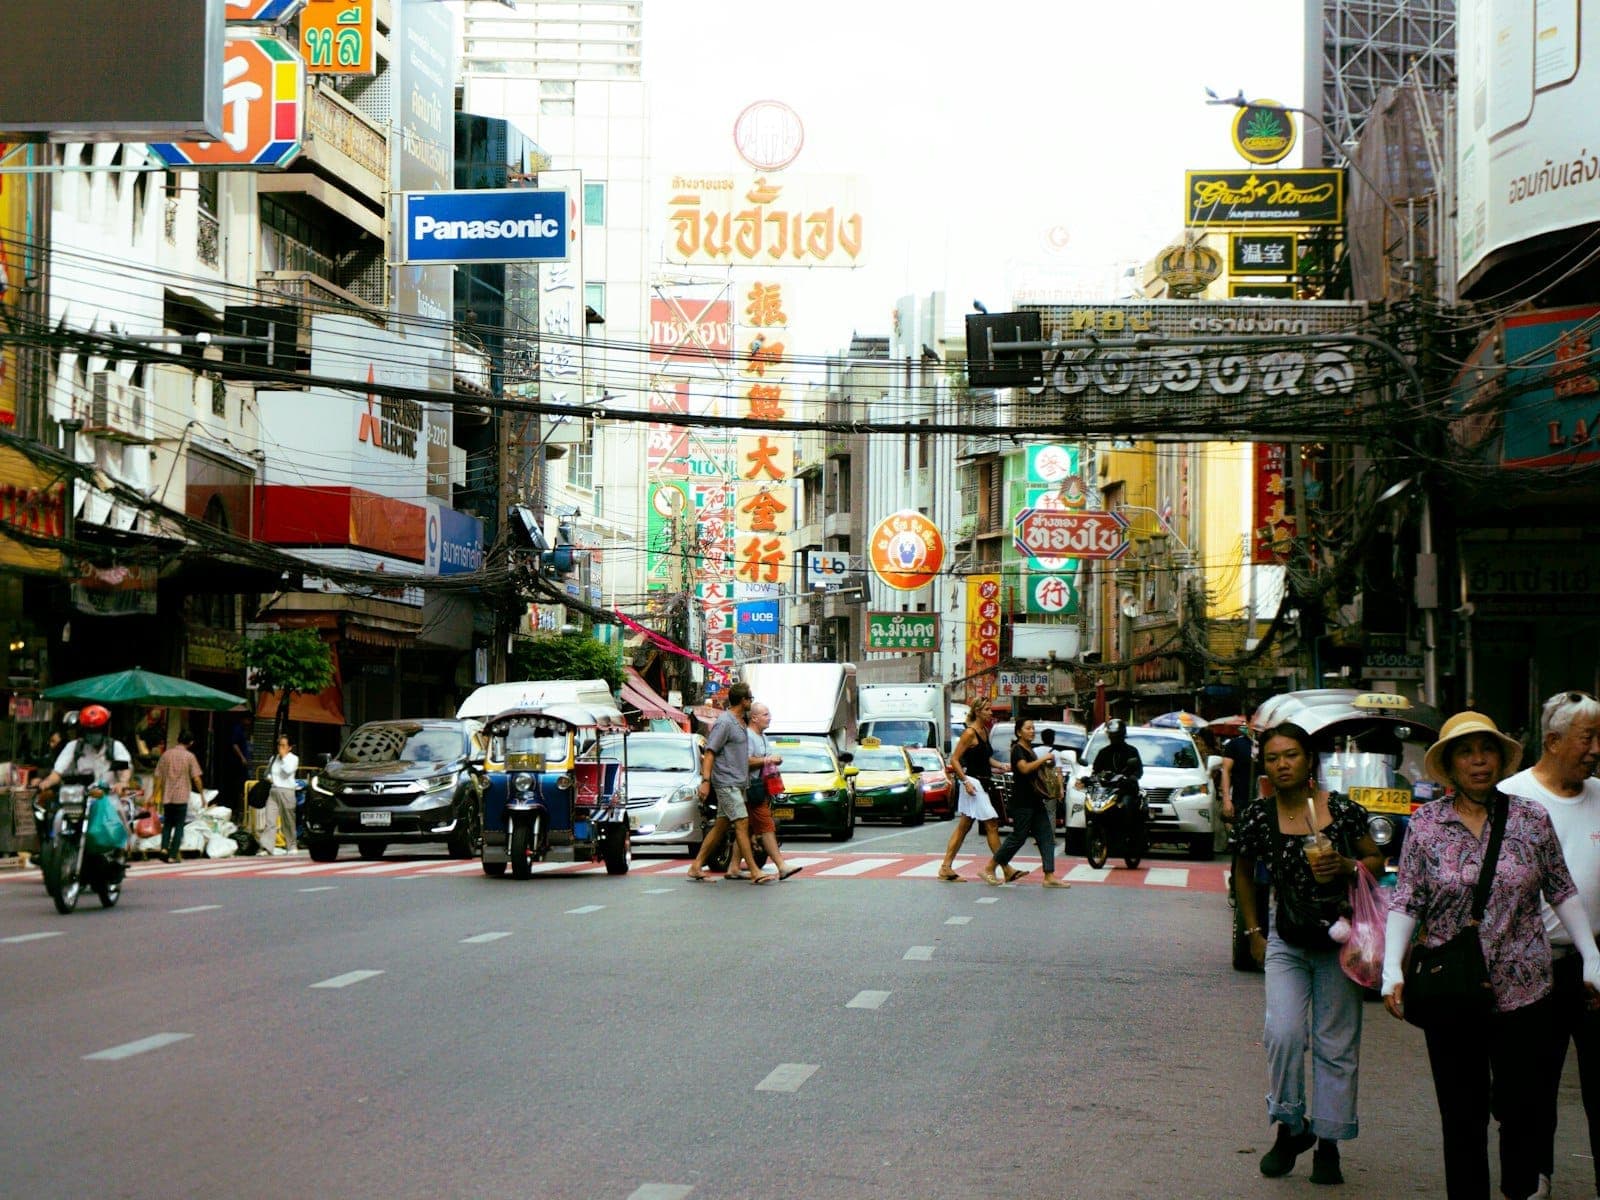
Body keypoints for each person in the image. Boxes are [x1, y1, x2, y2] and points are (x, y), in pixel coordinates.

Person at [1381, 710, 1600, 1200]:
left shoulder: (1530, 818)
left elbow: (1562, 891)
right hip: (1450, 990)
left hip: (1524, 991)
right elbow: (1407, 899)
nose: (1478, 761)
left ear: (1500, 759)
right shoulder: (1427, 825)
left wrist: (1591, 957)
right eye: (1466, 752)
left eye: (1486, 751)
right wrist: (1391, 969)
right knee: (1462, 1115)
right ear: (1450, 764)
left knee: (1523, 1110)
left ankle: (1521, 1190)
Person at [1233, 721, 1386, 1185]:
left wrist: (1345, 865)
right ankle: (1290, 1124)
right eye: (1274, 757)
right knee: (1281, 1033)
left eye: (1292, 755)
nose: (1283, 764)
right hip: (1288, 939)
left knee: (1336, 1046)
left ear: (1309, 760)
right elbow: (1241, 872)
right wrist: (1254, 932)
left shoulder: (1340, 810)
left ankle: (1330, 1143)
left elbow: (1376, 860)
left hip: (1341, 941)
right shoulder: (1258, 816)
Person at [1499, 690, 1600, 1200]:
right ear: (1554, 741)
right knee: (1532, 1084)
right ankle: (1534, 1180)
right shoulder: (1511, 798)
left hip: (1597, 966)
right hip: (1530, 967)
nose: (1597, 748)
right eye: (1588, 738)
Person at [687, 683, 769, 884]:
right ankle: (754, 870)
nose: (751, 701)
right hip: (726, 783)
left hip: (738, 783)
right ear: (743, 700)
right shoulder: (725, 723)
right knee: (742, 822)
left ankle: (696, 866)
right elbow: (710, 752)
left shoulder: (741, 722)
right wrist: (706, 781)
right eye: (750, 698)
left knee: (721, 826)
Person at [980, 718, 1068, 888]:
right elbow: (1024, 769)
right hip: (1022, 802)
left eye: (1033, 728)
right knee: (1018, 837)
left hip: (1035, 800)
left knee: (1046, 836)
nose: (1032, 731)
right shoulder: (1018, 750)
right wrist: (1043, 760)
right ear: (1019, 732)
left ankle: (1049, 876)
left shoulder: (1030, 750)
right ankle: (990, 867)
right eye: (1028, 728)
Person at [936, 697, 1014, 883]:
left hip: (983, 783)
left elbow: (984, 758)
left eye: (990, 709)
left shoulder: (984, 731)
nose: (990, 712)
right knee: (992, 823)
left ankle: (946, 866)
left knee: (964, 826)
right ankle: (1005, 867)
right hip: (973, 784)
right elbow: (954, 760)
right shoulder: (969, 733)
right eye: (987, 709)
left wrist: (1001, 765)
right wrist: (965, 782)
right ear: (978, 711)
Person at [728, 702, 802, 882]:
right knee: (767, 825)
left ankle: (734, 867)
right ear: (754, 717)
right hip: (750, 788)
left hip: (760, 788)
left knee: (746, 828)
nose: (769, 718)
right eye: (766, 714)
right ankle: (781, 866)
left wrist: (772, 762)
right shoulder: (748, 736)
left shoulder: (762, 736)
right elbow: (745, 761)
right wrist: (768, 760)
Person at [36, 704, 133, 795]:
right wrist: (47, 782)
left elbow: (124, 770)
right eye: (89, 731)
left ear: (104, 730)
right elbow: (57, 773)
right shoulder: (74, 747)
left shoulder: (114, 747)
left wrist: (122, 783)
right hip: (80, 798)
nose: (93, 735)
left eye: (96, 730)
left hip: (110, 799)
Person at [153, 730, 204, 864]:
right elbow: (197, 778)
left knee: (168, 824)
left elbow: (158, 777)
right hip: (181, 797)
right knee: (179, 826)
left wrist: (153, 795)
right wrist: (202, 795)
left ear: (178, 739)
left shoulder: (166, 755)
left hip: (167, 796)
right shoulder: (189, 757)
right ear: (191, 742)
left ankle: (164, 848)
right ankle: (172, 855)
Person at [1090, 718, 1144, 809]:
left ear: (1122, 735)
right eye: (1111, 735)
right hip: (1106, 791)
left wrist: (1131, 778)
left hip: (1126, 790)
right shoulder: (1103, 752)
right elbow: (1096, 771)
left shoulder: (1131, 751)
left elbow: (1139, 771)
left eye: (1116, 736)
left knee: (1126, 804)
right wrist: (1090, 779)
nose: (1113, 738)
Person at [262, 734, 299, 856]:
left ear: (289, 747)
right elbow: (267, 773)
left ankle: (292, 845)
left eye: (283, 745)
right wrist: (271, 779)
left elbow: (288, 771)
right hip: (274, 790)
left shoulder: (293, 759)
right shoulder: (274, 758)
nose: (280, 748)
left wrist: (283, 757)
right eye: (279, 745)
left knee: (288, 820)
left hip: (287, 791)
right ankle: (267, 847)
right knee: (270, 820)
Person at [223, 716, 253, 820]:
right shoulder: (237, 729)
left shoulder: (243, 730)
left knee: (242, 787)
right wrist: (242, 758)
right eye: (248, 719)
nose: (249, 722)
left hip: (241, 764)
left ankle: (240, 811)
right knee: (238, 787)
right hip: (236, 764)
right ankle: (236, 811)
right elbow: (234, 744)